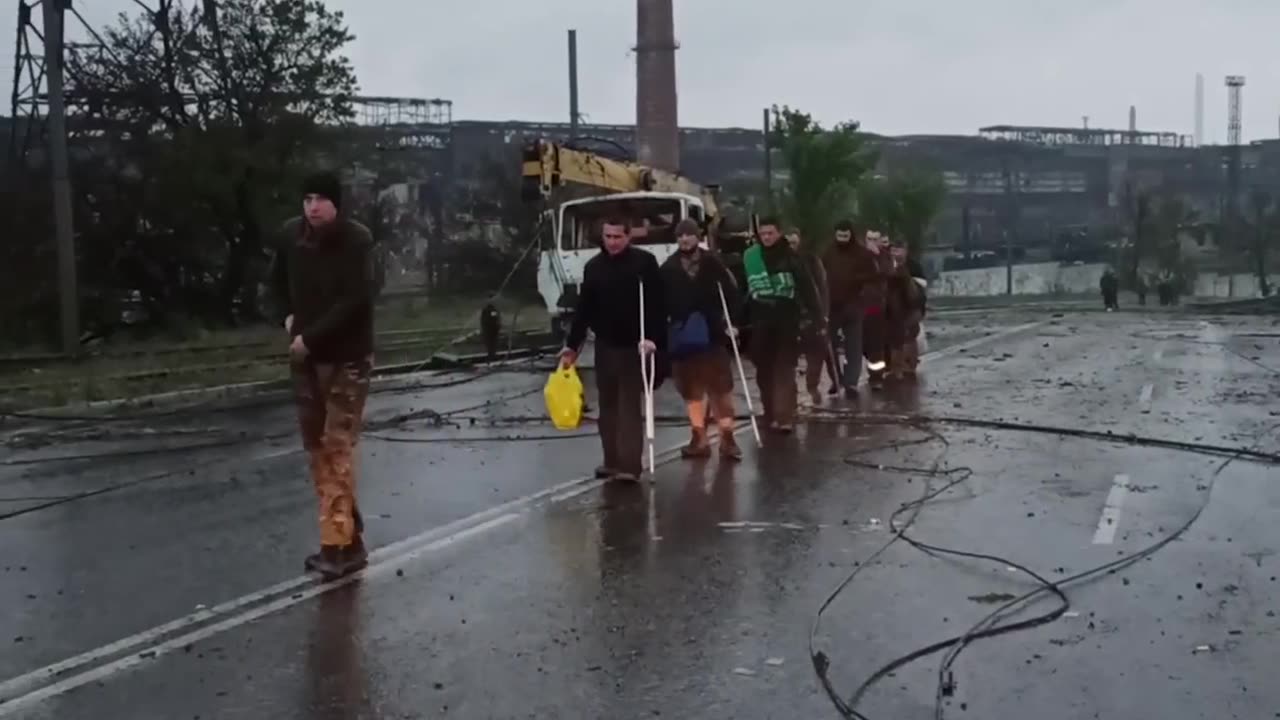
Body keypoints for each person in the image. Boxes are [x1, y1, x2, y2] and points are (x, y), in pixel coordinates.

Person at [270, 170, 377, 579]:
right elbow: (275, 282)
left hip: (347, 357)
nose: (312, 206)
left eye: (321, 199)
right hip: (306, 358)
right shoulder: (290, 237)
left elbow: (354, 300)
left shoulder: (356, 241)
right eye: (307, 198)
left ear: (337, 204)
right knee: (316, 447)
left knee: (337, 446)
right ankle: (347, 531)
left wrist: (310, 338)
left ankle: (337, 549)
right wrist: (287, 315)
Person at [559, 216, 664, 482]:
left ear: (628, 237)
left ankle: (630, 465)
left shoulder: (644, 263)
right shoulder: (594, 267)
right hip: (605, 344)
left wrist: (652, 338)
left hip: (634, 345)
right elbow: (584, 309)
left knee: (629, 406)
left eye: (618, 237)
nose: (612, 242)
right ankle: (612, 460)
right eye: (608, 237)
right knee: (607, 407)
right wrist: (572, 346)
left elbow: (657, 305)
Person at [661, 218, 744, 461]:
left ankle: (727, 438)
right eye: (680, 236)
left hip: (713, 334)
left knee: (720, 389)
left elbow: (732, 293)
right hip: (683, 336)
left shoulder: (713, 264)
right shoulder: (668, 268)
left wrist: (734, 323)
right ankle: (699, 438)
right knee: (691, 390)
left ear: (698, 237)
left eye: (688, 235)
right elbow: (660, 303)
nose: (684, 239)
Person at [743, 216, 822, 433]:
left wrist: (818, 317)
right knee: (764, 371)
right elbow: (745, 291)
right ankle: (770, 412)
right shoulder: (751, 257)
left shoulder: (792, 258)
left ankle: (784, 415)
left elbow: (808, 288)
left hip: (786, 319)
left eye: (770, 233)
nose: (766, 237)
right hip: (760, 321)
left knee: (784, 369)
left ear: (779, 233)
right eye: (763, 234)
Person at [822, 220, 877, 398]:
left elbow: (872, 277)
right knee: (828, 345)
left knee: (854, 346)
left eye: (846, 236)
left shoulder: (862, 254)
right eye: (840, 236)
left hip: (854, 305)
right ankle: (836, 380)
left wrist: (857, 283)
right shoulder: (828, 253)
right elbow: (820, 275)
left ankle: (851, 382)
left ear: (851, 235)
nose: (843, 240)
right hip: (832, 306)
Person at [786, 228, 836, 405]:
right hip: (788, 316)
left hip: (811, 314)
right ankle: (789, 398)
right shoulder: (778, 261)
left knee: (816, 353)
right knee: (787, 360)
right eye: (788, 242)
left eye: (793, 242)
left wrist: (823, 313)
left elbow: (822, 288)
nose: (791, 246)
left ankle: (813, 387)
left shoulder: (810, 261)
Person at [859, 229, 895, 390]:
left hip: (875, 305)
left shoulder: (884, 257)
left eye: (875, 239)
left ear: (880, 241)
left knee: (875, 342)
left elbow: (887, 272)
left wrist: (876, 256)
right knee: (861, 342)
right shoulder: (859, 256)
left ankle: (876, 377)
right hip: (858, 305)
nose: (872, 242)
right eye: (869, 239)